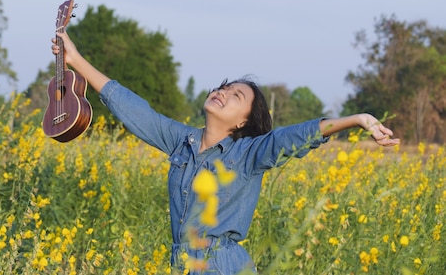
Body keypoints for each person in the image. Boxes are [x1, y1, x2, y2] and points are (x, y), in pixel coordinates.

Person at [51, 30, 400, 275]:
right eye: (224, 87)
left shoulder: (248, 154)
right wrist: (76, 60)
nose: (223, 93)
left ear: (243, 121)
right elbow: (134, 109)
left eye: (236, 97)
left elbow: (295, 137)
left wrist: (357, 120)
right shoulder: (181, 142)